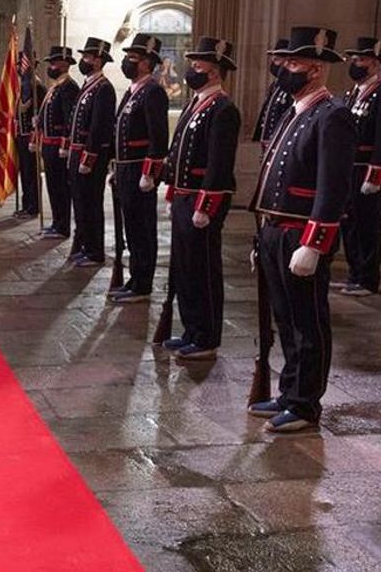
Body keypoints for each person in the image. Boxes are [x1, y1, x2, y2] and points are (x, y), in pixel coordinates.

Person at [247, 26, 354, 433]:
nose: (283, 69)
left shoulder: (333, 116)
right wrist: (264, 233)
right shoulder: (294, 112)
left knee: (307, 319)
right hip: (277, 230)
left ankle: (306, 402)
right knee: (284, 318)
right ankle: (289, 391)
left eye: (292, 63)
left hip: (301, 234)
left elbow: (332, 189)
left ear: (315, 69)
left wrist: (314, 242)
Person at [159, 37, 241, 360]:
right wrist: (172, 192)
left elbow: (219, 165)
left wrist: (206, 206)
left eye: (198, 65)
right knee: (184, 268)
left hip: (201, 202)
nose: (191, 69)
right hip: (185, 197)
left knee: (203, 269)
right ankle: (191, 329)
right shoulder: (196, 103)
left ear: (215, 71)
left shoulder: (223, 109)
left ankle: (206, 336)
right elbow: (179, 151)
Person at [109, 33, 169, 303]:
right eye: (128, 58)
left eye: (133, 58)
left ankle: (142, 282)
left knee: (142, 227)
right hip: (125, 169)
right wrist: (115, 166)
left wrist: (150, 172)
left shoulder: (153, 92)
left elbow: (158, 137)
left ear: (147, 63)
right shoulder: (134, 92)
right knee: (130, 227)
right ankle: (134, 278)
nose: (128, 63)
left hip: (138, 171)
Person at [334, 37, 381, 296]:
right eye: (353, 60)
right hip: (350, 166)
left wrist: (375, 174)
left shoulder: (378, 93)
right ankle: (354, 273)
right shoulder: (353, 93)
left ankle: (368, 277)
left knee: (367, 224)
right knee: (349, 222)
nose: (355, 64)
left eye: (360, 60)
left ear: (374, 65)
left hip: (366, 168)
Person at [66, 37, 117, 267]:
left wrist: (89, 157)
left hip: (90, 156)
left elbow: (99, 127)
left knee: (91, 203)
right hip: (78, 153)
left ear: (98, 60)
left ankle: (95, 251)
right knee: (80, 202)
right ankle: (85, 245)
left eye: (87, 57)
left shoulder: (104, 89)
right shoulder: (89, 84)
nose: (83, 61)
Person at [34, 46, 80, 240]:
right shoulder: (56, 87)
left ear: (64, 64)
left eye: (53, 63)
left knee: (61, 187)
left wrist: (64, 145)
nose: (51, 67)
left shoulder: (69, 87)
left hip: (58, 146)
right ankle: (56, 222)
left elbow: (70, 118)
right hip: (48, 144)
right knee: (53, 186)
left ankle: (62, 226)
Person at [250, 38, 294, 152]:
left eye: (277, 60)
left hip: (279, 143)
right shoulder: (275, 86)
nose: (273, 64)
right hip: (269, 143)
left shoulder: (289, 89)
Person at [14, 61, 45, 219]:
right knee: (24, 172)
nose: (21, 70)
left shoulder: (37, 87)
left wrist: (35, 134)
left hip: (30, 137)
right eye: (20, 67)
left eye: (23, 67)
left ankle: (33, 206)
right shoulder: (23, 87)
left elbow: (41, 113)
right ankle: (26, 204)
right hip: (21, 135)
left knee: (31, 172)